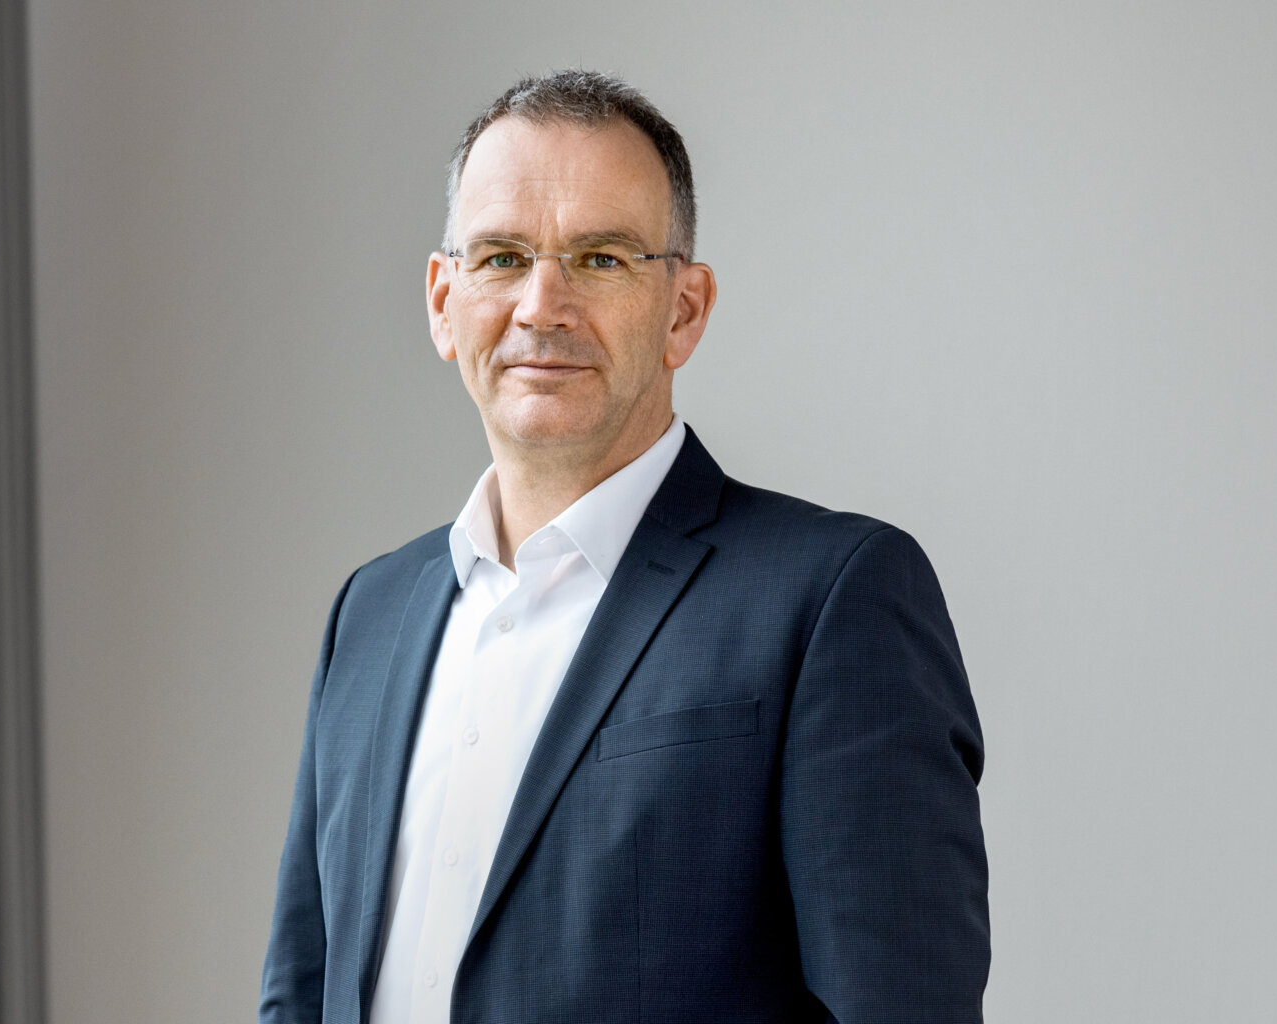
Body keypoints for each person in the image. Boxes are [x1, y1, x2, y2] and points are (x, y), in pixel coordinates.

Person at [260, 70, 988, 1024]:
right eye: (502, 257)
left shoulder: (830, 600)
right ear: (443, 301)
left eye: (600, 258)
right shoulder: (371, 614)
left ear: (684, 309)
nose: (542, 305)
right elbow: (301, 994)